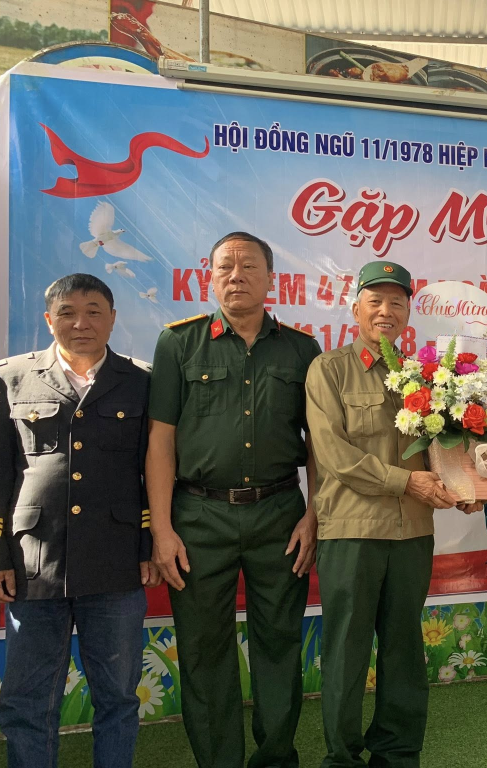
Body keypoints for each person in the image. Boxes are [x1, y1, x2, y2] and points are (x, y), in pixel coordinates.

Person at [146, 232, 322, 768]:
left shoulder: (301, 349)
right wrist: (161, 530)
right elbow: (160, 441)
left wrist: (315, 514)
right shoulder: (178, 343)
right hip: (198, 518)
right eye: (225, 266)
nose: (236, 276)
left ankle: (276, 758)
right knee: (204, 651)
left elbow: (319, 444)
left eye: (249, 267)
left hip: (280, 516)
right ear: (210, 276)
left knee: (280, 644)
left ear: (271, 279)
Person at [0, 273, 158, 768]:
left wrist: (148, 546)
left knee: (118, 698)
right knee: (27, 700)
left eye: (93, 311)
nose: (81, 323)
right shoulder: (10, 376)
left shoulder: (142, 381)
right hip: (34, 564)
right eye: (67, 312)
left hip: (116, 564)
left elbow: (153, 472)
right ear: (49, 319)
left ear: (112, 319)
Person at [305, 260, 465, 768]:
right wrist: (406, 482)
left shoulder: (425, 375)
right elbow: (334, 454)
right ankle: (342, 757)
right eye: (375, 301)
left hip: (413, 532)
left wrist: (465, 487)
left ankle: (397, 753)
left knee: (403, 649)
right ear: (356, 309)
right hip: (351, 532)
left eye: (397, 302)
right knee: (346, 650)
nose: (385, 311)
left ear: (408, 313)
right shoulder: (329, 369)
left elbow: (443, 449)